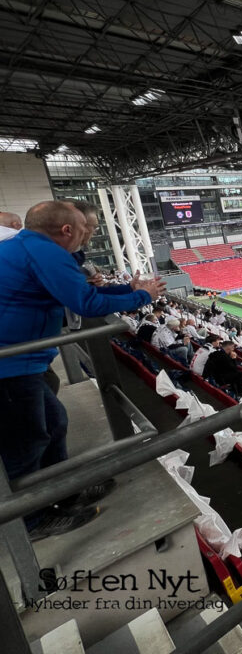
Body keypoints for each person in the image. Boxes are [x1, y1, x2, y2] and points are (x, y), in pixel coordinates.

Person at [0, 201, 164, 539]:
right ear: (66, 230)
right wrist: (140, 297)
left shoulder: (27, 246)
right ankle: (30, 521)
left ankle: (63, 493)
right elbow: (85, 303)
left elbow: (80, 291)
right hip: (11, 365)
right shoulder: (46, 252)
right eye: (83, 231)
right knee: (26, 441)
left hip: (22, 361)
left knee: (54, 423)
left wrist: (128, 289)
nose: (85, 238)